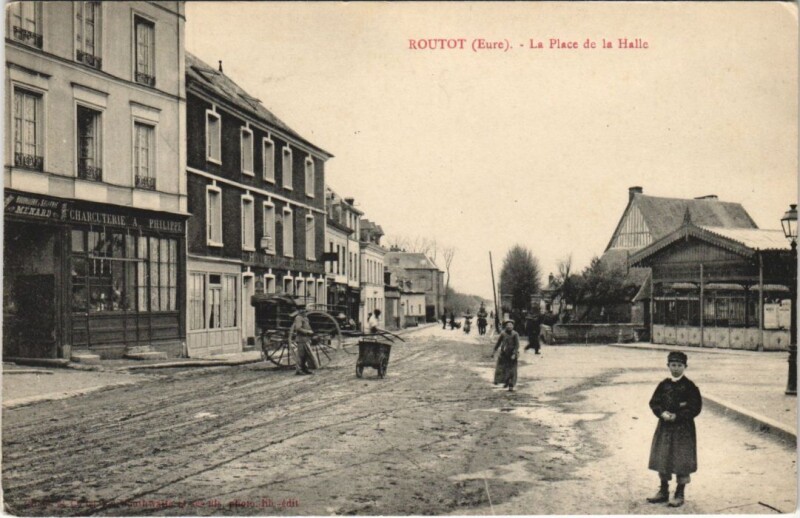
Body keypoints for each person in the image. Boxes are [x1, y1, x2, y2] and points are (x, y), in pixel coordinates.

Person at [646, 351, 702, 508]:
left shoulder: (690, 387)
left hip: (683, 430)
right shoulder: (663, 385)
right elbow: (654, 402)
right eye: (673, 365)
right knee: (663, 456)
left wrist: (677, 416)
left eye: (679, 365)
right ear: (668, 366)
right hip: (665, 427)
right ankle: (663, 491)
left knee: (681, 458)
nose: (676, 368)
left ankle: (679, 492)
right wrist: (661, 412)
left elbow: (695, 407)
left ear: (685, 366)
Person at [492, 319, 520, 392]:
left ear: (513, 326)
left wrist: (514, 354)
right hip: (504, 354)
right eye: (507, 325)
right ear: (505, 326)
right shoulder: (503, 334)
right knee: (502, 368)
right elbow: (498, 343)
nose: (509, 327)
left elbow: (517, 345)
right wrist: (494, 351)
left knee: (512, 370)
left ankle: (511, 384)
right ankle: (504, 381)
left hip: (512, 354)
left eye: (511, 325)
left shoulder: (515, 334)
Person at [289, 309, 315, 375]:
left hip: (306, 339)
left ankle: (305, 369)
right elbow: (298, 328)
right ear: (301, 312)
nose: (306, 312)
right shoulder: (298, 318)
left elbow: (307, 326)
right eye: (304, 311)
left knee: (306, 355)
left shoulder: (305, 318)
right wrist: (307, 332)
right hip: (301, 339)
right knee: (301, 355)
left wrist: (310, 332)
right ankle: (299, 370)